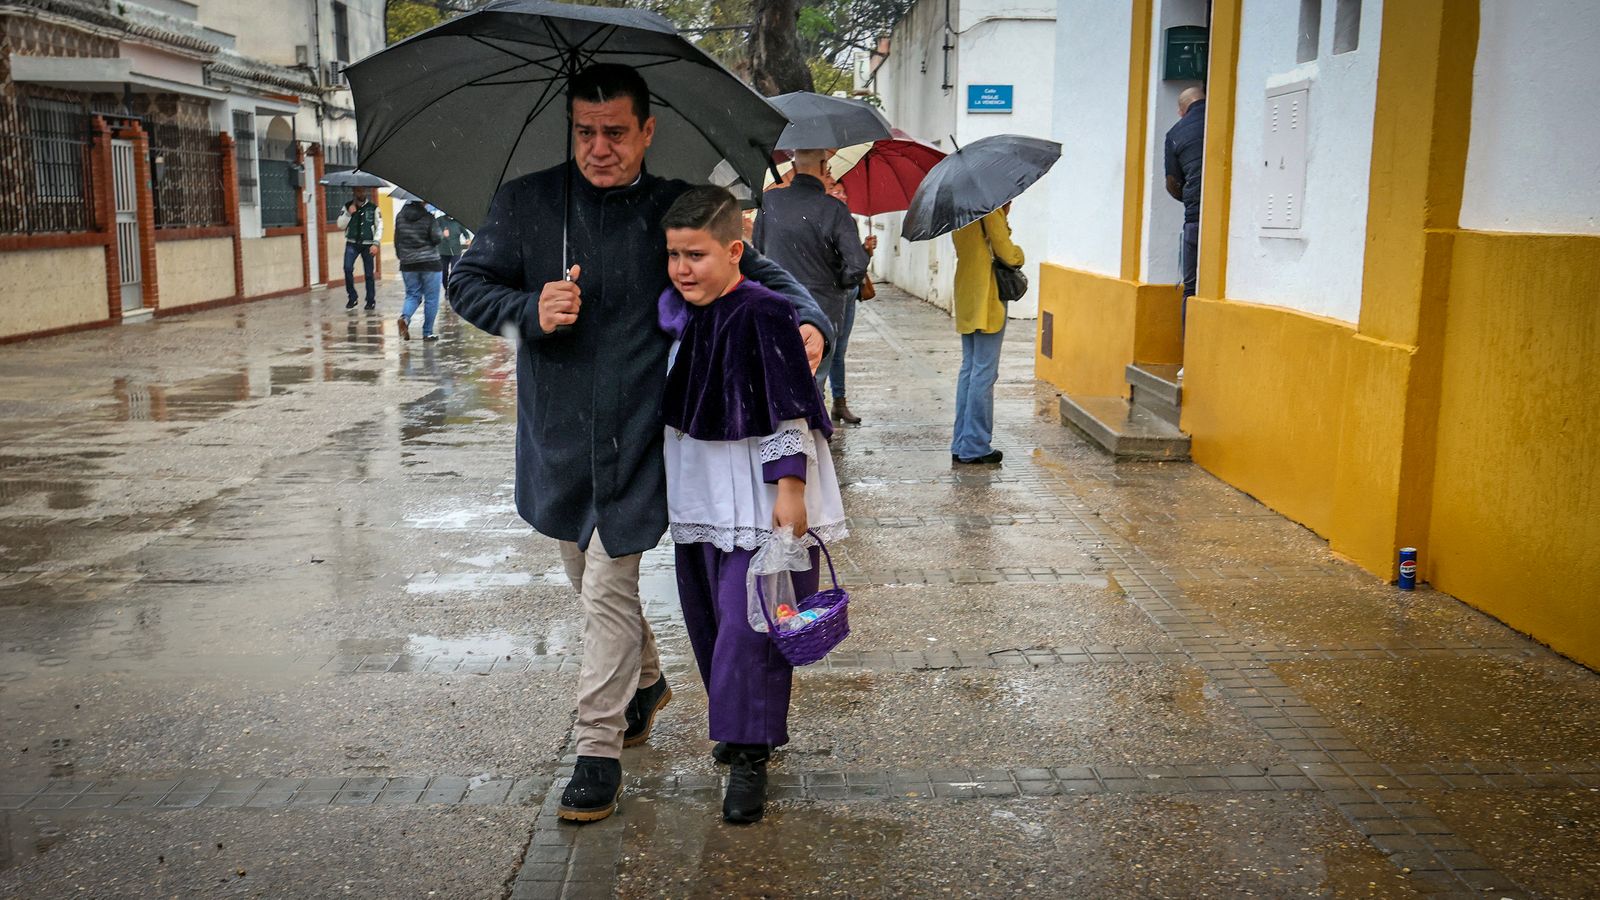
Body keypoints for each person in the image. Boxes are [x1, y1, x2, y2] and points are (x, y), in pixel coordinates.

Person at [448, 63, 833, 824]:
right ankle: (648, 683)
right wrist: (530, 308)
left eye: (616, 133)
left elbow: (764, 279)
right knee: (584, 580)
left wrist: (811, 321)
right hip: (557, 442)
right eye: (585, 133)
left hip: (646, 441)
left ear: (646, 132)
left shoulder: (674, 212)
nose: (599, 148)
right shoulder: (526, 204)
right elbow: (468, 282)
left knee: (608, 588)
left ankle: (596, 747)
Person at [657, 185, 847, 825]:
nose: (683, 269)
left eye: (697, 255)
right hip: (699, 490)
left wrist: (791, 487)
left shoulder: (764, 311)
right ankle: (737, 725)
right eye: (674, 256)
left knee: (752, 625)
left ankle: (747, 756)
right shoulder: (682, 310)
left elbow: (787, 405)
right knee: (709, 616)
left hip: (760, 492)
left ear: (735, 250)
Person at [752, 149, 870, 399]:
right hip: (822, 311)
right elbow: (857, 265)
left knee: (779, 380)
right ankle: (809, 434)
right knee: (814, 382)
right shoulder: (833, 210)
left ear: (793, 166)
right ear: (823, 165)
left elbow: (759, 254)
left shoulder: (769, 203)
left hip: (777, 307)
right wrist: (838, 282)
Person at [949, 203, 1023, 466]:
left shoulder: (959, 212)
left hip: (967, 293)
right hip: (987, 297)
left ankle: (961, 443)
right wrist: (1017, 251)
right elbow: (1007, 253)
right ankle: (976, 445)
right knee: (984, 372)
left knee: (969, 370)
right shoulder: (988, 210)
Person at [1164, 86, 1206, 318]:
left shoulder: (1176, 133)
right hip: (1227, 217)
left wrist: (1189, 197)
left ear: (1182, 110)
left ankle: (1189, 350)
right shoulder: (1220, 119)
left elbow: (1172, 183)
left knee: (1191, 289)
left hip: (1195, 218)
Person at [394, 200, 443, 341]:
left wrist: (401, 256)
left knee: (412, 295)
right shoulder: (429, 217)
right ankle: (427, 332)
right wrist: (436, 227)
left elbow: (397, 239)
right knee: (431, 299)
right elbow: (436, 238)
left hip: (408, 263)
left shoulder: (399, 217)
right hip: (430, 263)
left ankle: (405, 318)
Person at [337, 187, 383, 310]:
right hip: (352, 243)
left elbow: (379, 226)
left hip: (368, 244)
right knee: (347, 268)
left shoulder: (373, 208)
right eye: (358, 191)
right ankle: (352, 297)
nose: (361, 193)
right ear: (354, 192)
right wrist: (348, 214)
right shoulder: (347, 207)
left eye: (362, 191)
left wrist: (376, 243)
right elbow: (340, 225)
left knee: (369, 274)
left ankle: (370, 300)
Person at [433, 207, 470, 297]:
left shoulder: (458, 222)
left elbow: (465, 233)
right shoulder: (440, 220)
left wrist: (468, 239)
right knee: (444, 272)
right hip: (443, 251)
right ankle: (446, 289)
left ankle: (453, 289)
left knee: (455, 271)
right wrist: (442, 233)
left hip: (456, 251)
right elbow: (433, 231)